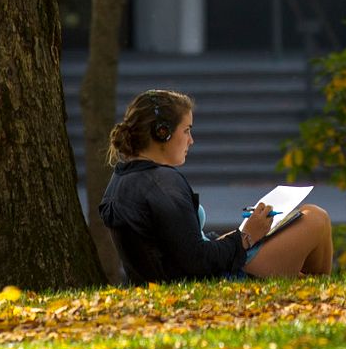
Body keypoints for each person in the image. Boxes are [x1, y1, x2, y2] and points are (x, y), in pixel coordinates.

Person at [98, 89, 334, 283]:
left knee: (302, 230)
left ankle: (310, 292)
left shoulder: (122, 179)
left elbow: (179, 246)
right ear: (163, 133)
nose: (191, 140)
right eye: (186, 130)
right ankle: (317, 297)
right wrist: (246, 237)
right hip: (216, 279)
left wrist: (239, 234)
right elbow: (197, 261)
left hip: (188, 275)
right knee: (316, 218)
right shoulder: (163, 182)